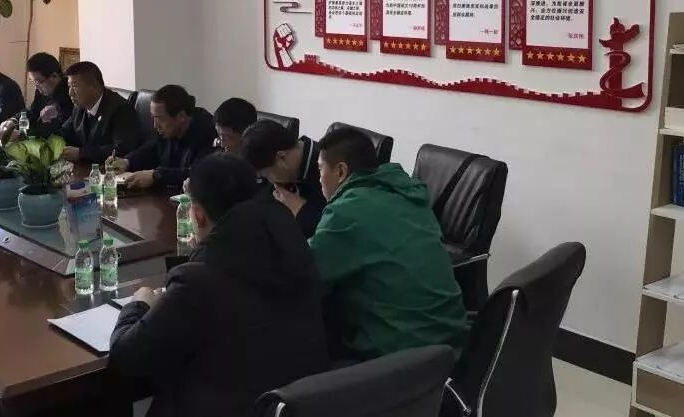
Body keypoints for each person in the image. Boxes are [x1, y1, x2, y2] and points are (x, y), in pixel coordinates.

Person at [109, 154, 328, 417]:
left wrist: (139, 304)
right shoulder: (296, 245)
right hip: (291, 405)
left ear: (198, 215)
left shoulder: (196, 281)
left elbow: (126, 358)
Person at [311, 126, 468, 362]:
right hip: (452, 339)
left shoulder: (346, 211)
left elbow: (305, 274)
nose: (319, 179)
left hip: (399, 353)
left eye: (320, 169)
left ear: (341, 171)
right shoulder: (407, 192)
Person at [108, 85, 217, 190]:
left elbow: (198, 173)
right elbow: (152, 149)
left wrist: (156, 176)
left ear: (181, 116)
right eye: (153, 118)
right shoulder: (168, 130)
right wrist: (127, 161)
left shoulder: (208, 132)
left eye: (159, 118)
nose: (155, 125)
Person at [239, 119, 326, 238]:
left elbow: (333, 232)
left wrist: (300, 209)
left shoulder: (329, 170)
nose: (271, 181)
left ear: (282, 157)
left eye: (267, 176)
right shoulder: (276, 163)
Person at [59, 61, 142, 164]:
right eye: (69, 87)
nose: (70, 93)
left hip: (110, 170)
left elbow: (122, 149)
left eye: (75, 87)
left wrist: (81, 153)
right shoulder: (79, 106)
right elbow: (65, 131)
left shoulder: (120, 108)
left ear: (94, 87)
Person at [3, 52, 72, 138]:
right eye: (33, 82)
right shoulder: (41, 90)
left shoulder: (72, 94)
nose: (36, 87)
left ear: (54, 76)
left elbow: (55, 132)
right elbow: (32, 111)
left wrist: (22, 135)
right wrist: (14, 121)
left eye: (39, 81)